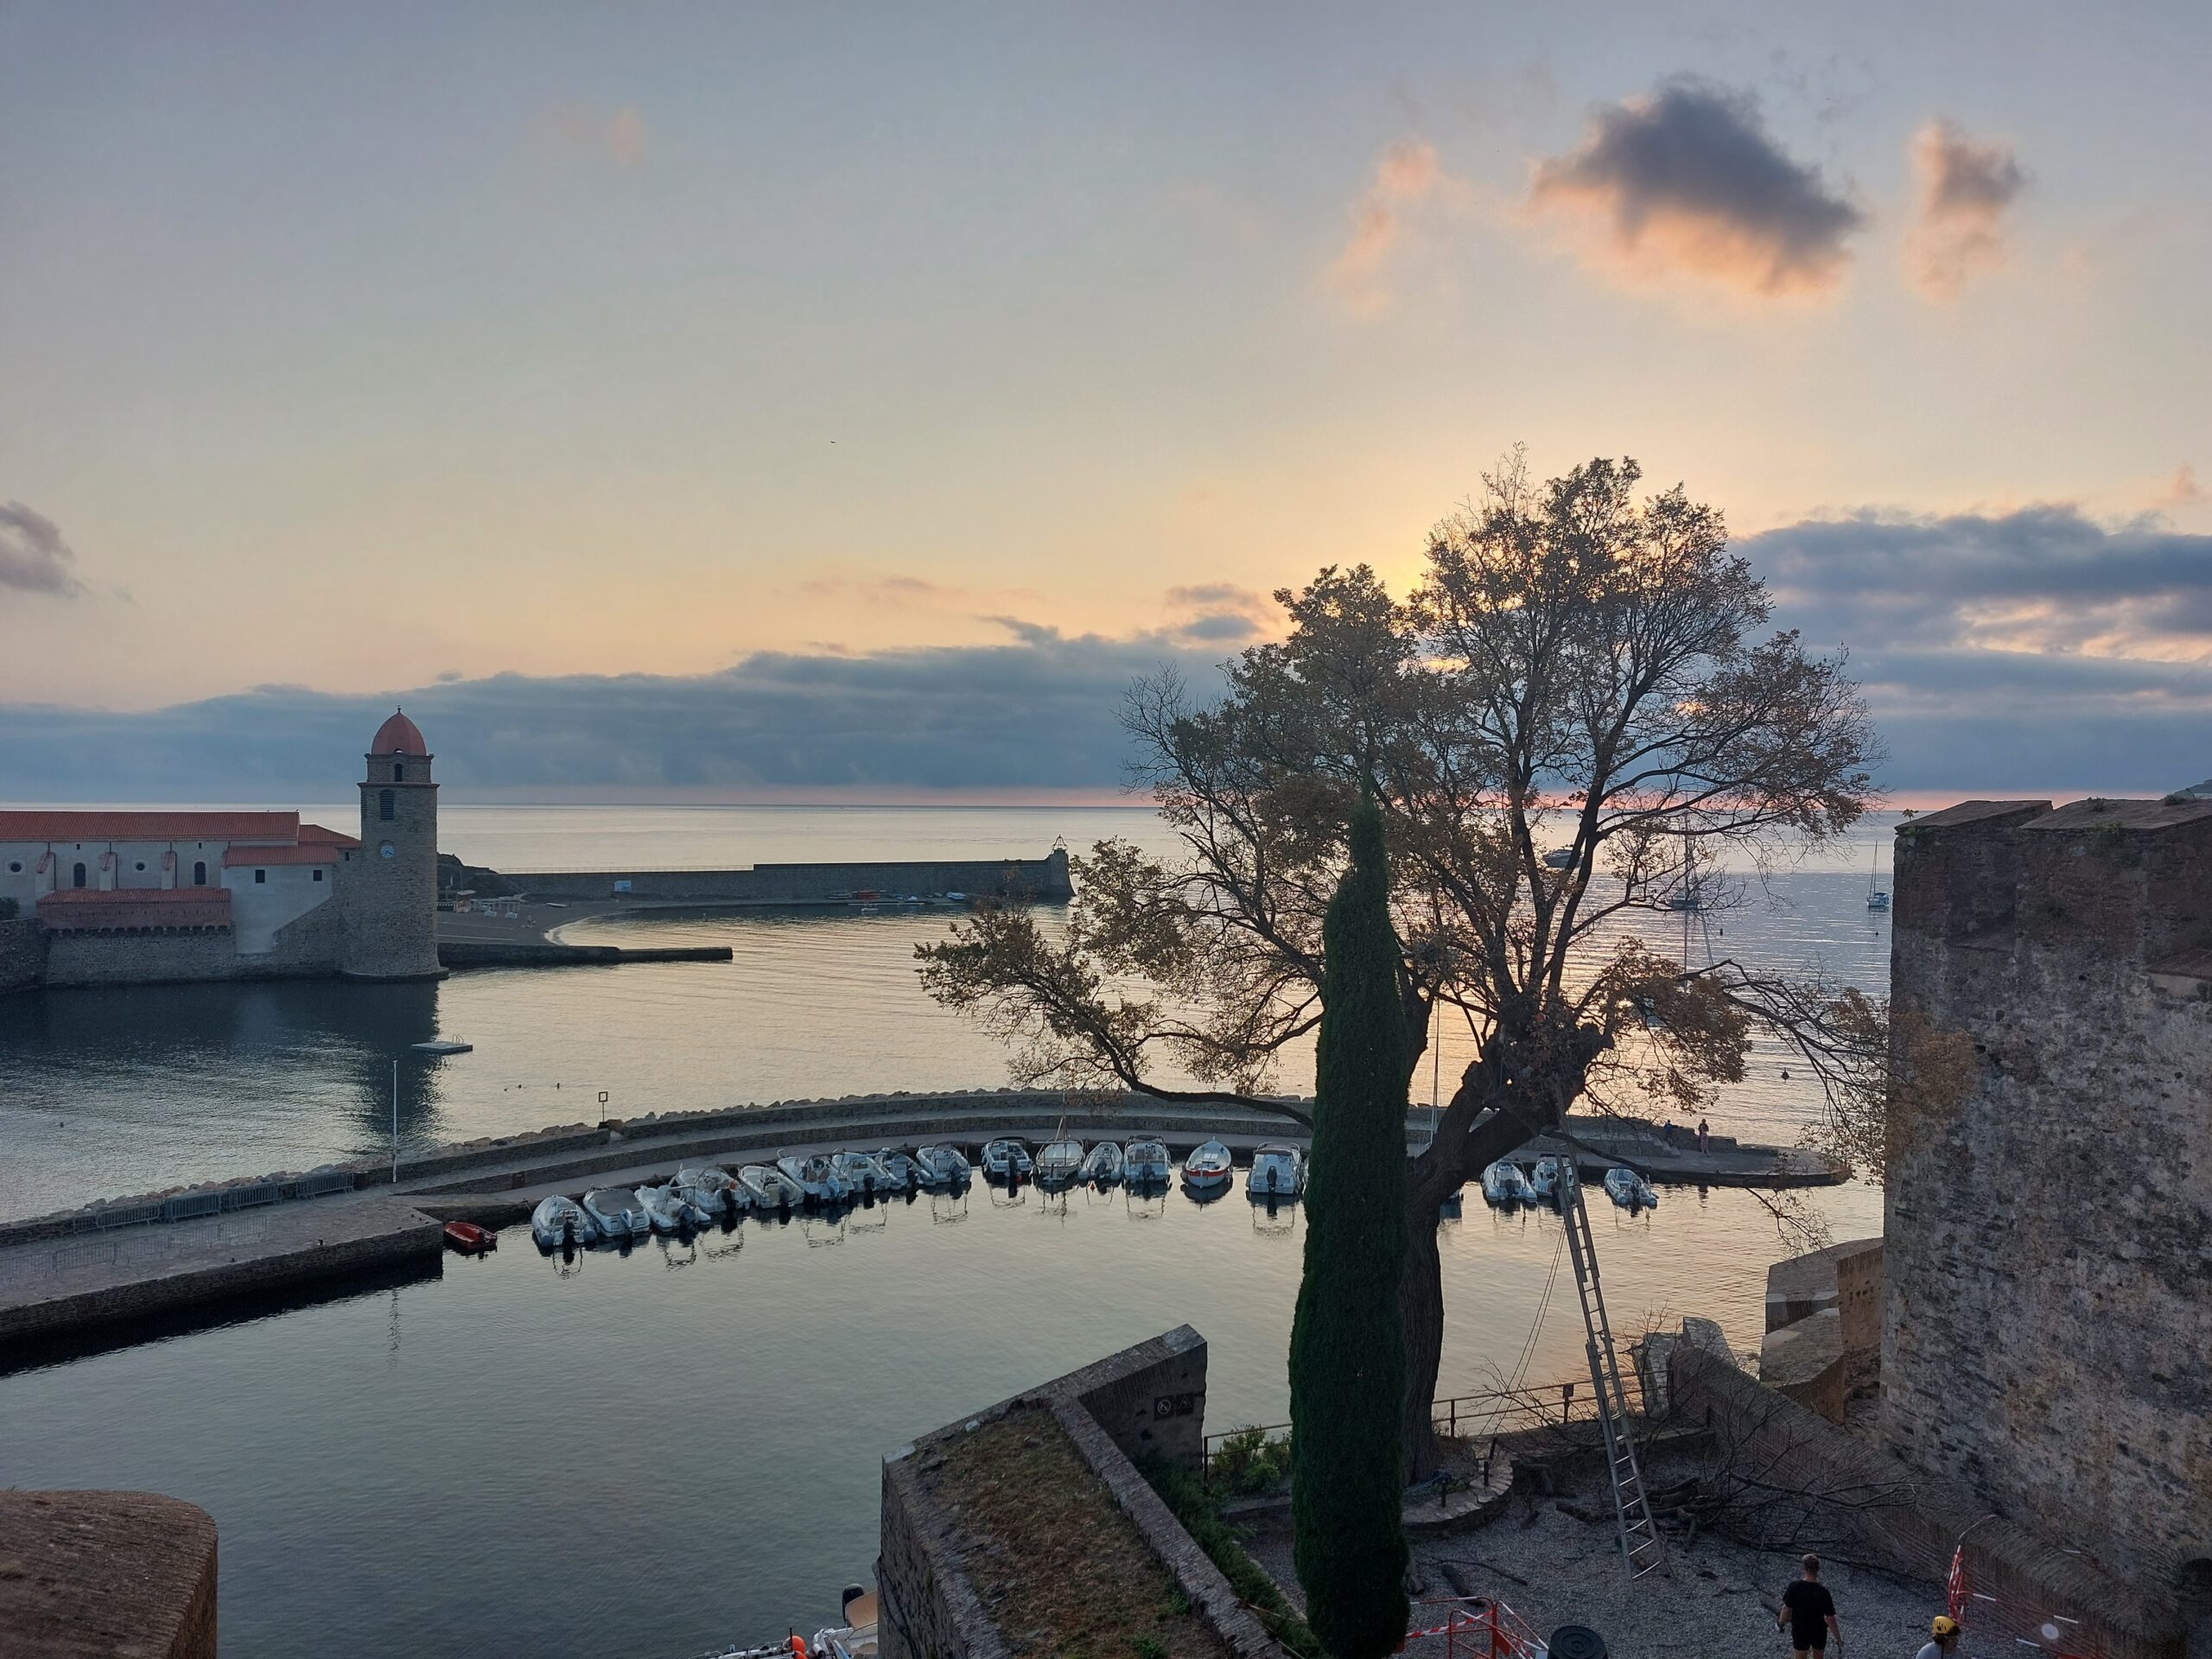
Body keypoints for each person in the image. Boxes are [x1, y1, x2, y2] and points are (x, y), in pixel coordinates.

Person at [1777, 1554, 1840, 1656]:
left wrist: (1781, 1624)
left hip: (1800, 1629)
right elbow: (1831, 1619)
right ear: (1818, 1569)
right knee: (1818, 1655)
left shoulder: (1794, 1587)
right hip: (1819, 1631)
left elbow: (1786, 1609)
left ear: (1803, 1568)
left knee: (1800, 1655)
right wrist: (1838, 1639)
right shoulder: (1823, 1592)